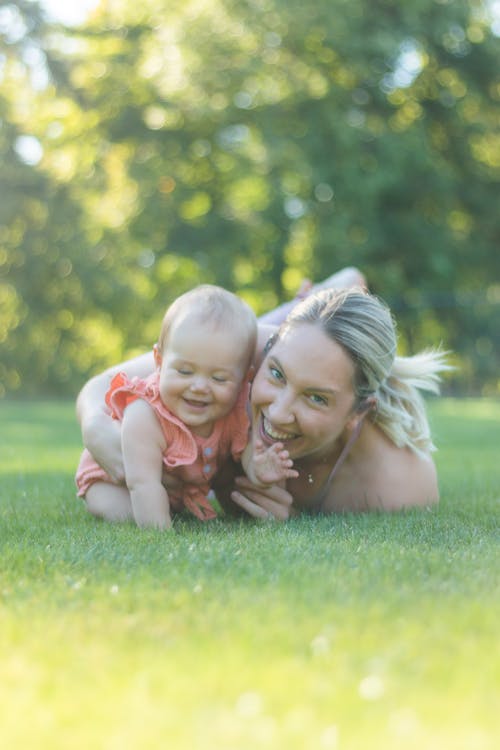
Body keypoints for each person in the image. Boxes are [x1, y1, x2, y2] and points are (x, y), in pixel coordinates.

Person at [77, 269, 447, 517]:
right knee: (285, 323)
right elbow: (99, 387)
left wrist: (289, 516)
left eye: (317, 397)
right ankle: (330, 288)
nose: (279, 413)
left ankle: (340, 286)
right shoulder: (245, 349)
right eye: (277, 375)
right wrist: (98, 430)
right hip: (276, 328)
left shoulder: (399, 484)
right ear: (268, 352)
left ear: (358, 412)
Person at [75, 284, 296, 529]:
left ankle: (167, 505)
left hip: (180, 484)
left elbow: (245, 453)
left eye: (219, 378)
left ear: (244, 378)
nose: (200, 386)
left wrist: (259, 469)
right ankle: (154, 512)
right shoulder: (145, 414)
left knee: (171, 502)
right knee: (119, 508)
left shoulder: (236, 410)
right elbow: (141, 482)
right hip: (117, 478)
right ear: (159, 362)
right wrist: (160, 533)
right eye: (185, 371)